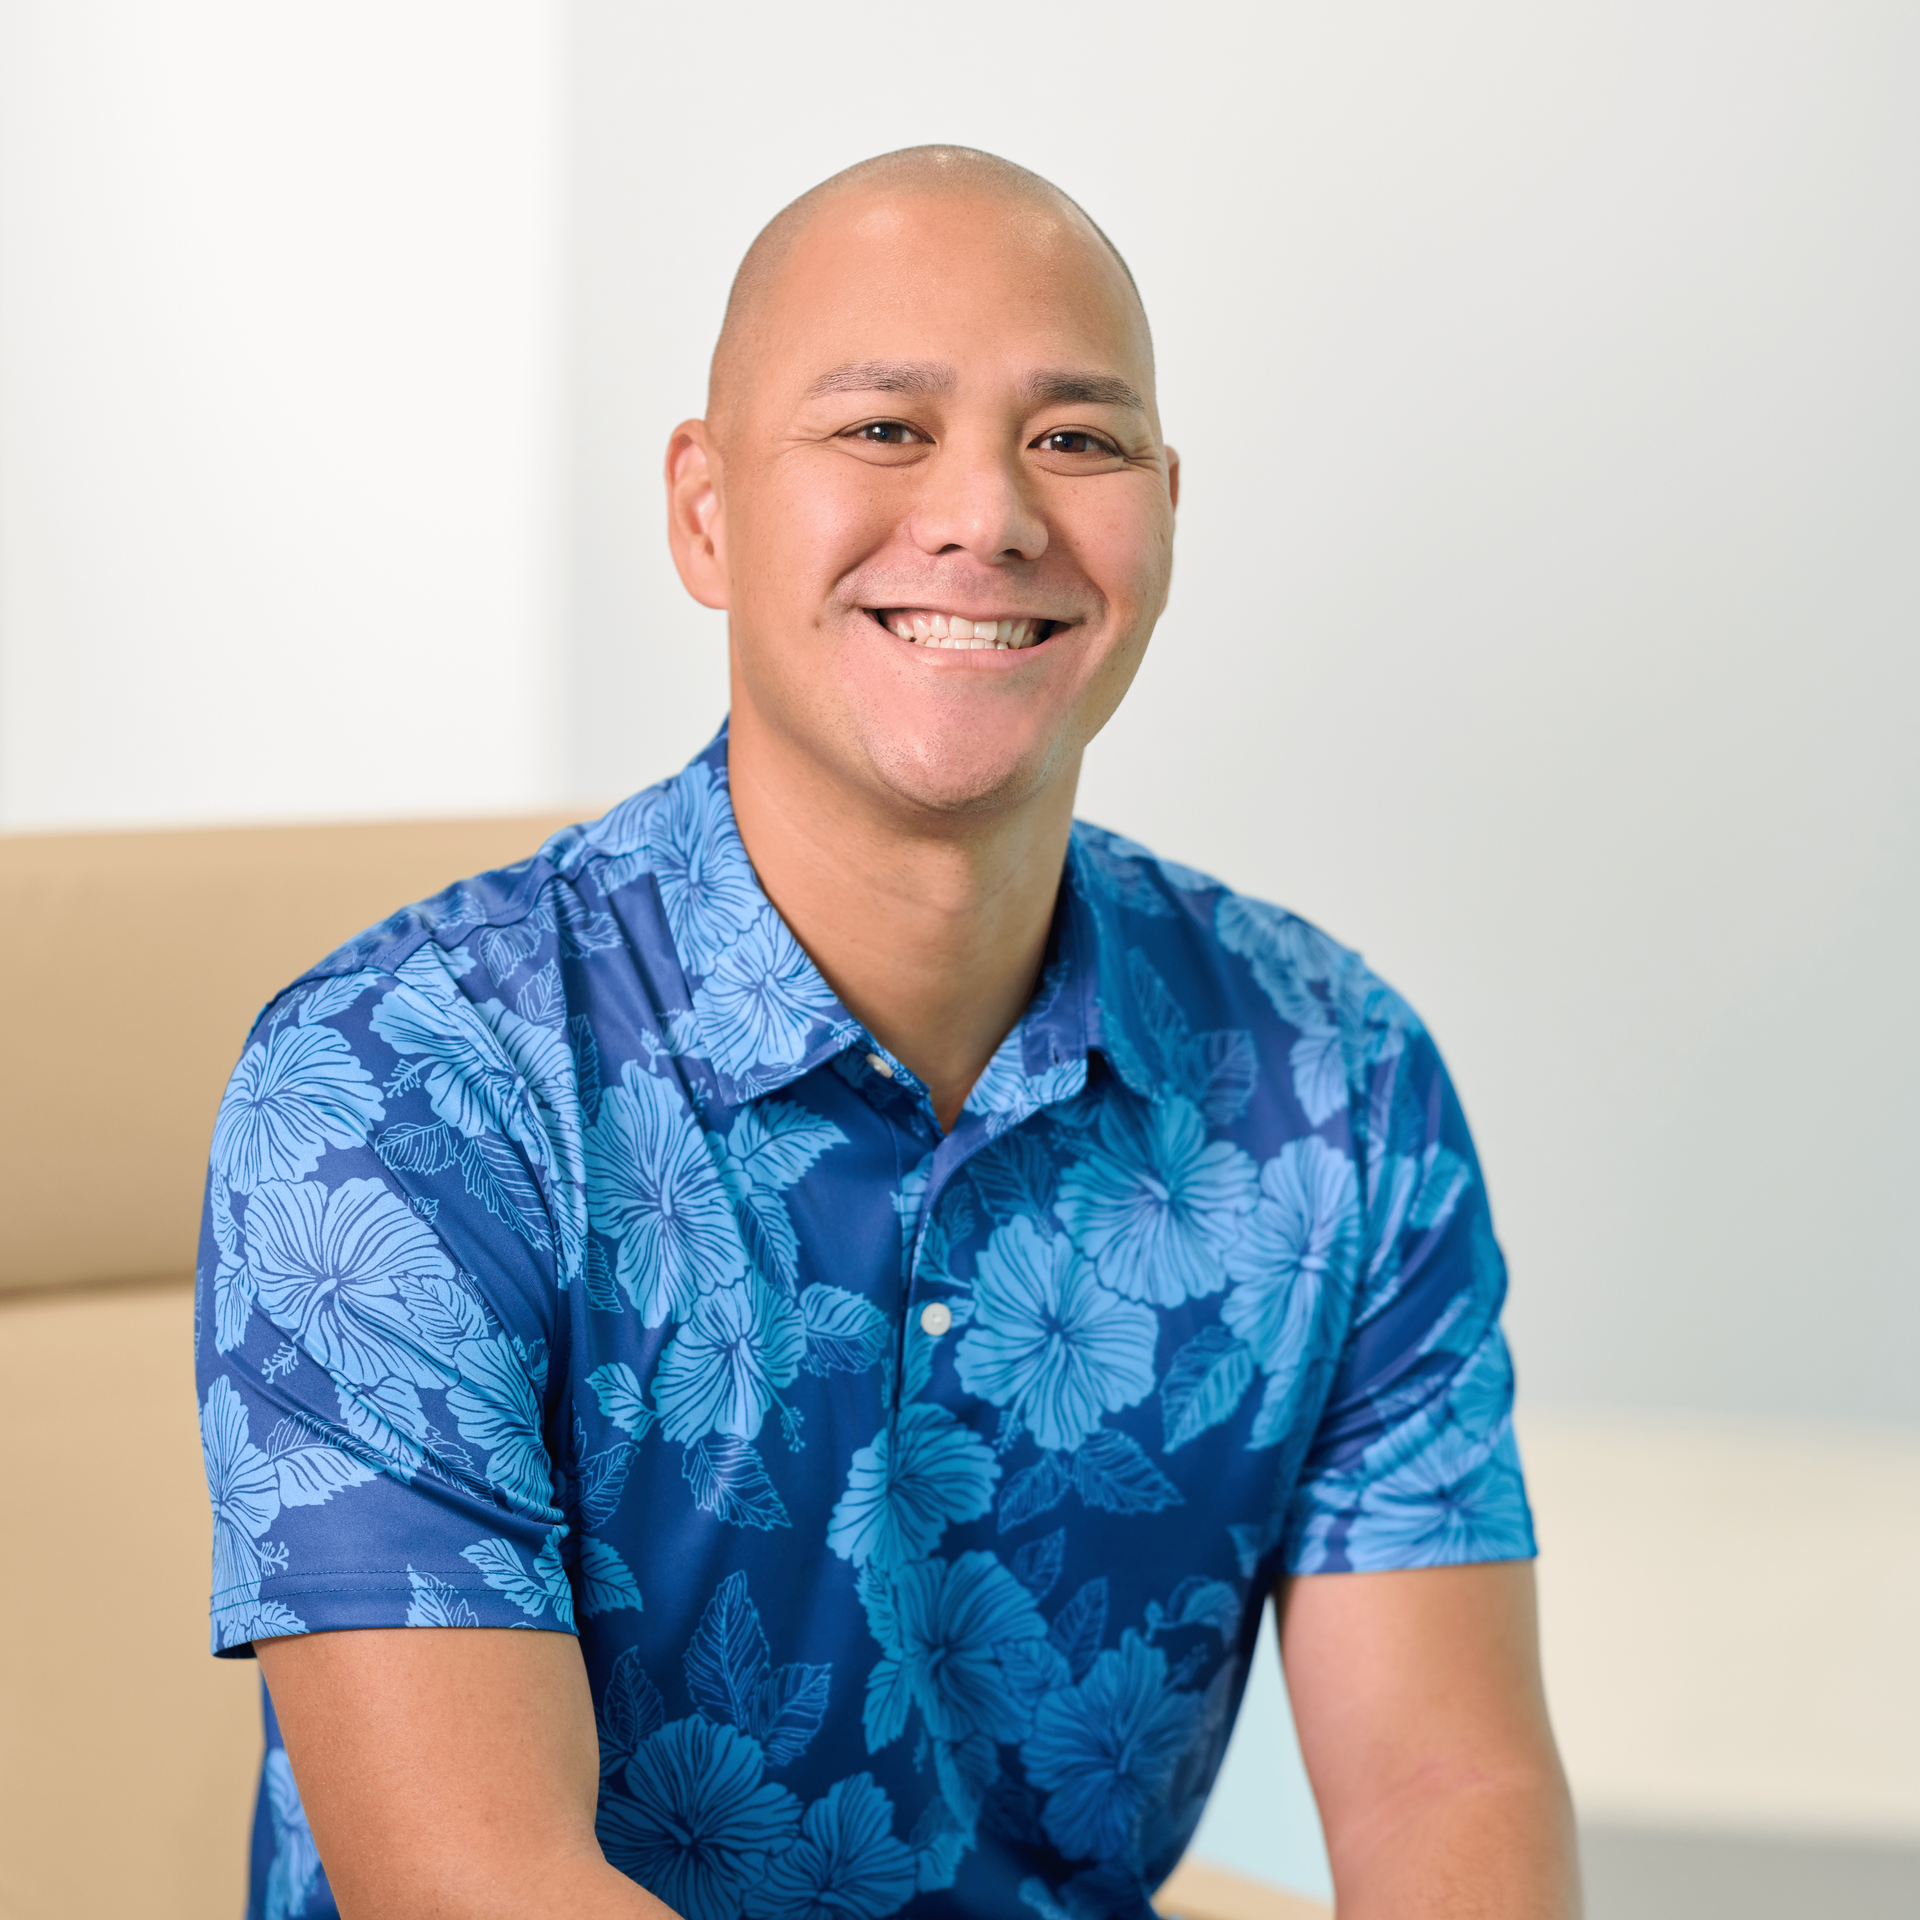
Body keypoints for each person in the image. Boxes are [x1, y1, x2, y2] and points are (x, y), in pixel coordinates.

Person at [195, 145, 1579, 1920]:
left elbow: (1443, 1786)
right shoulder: (401, 1090)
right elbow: (480, 1886)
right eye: (881, 430)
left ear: (1165, 510)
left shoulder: (1336, 1083)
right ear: (704, 510)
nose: (989, 515)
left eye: (1075, 440)